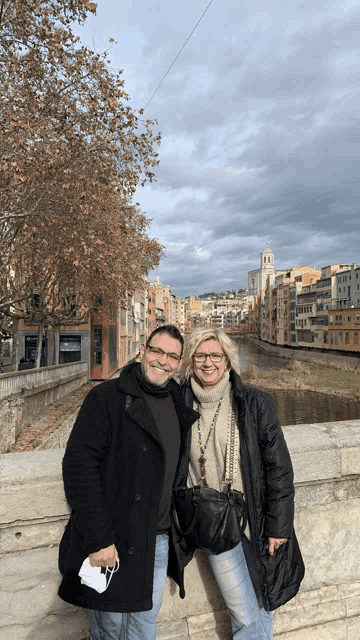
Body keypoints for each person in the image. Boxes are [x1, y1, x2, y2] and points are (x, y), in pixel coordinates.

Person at [58, 325, 198, 640]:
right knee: (110, 629)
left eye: (172, 356)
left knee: (142, 628)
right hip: (115, 539)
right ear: (143, 351)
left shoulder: (177, 399)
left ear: (179, 364)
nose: (163, 361)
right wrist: (98, 540)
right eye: (157, 351)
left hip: (158, 539)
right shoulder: (106, 397)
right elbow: (79, 467)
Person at [177, 327, 304, 640]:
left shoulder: (254, 402)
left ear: (228, 361)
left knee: (263, 605)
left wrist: (279, 527)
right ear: (191, 360)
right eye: (201, 355)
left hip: (258, 522)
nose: (208, 363)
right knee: (244, 614)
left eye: (215, 355)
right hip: (215, 525)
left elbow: (279, 469)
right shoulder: (177, 405)